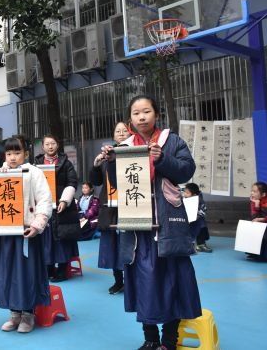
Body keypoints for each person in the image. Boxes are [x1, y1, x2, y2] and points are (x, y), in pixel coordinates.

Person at [107, 95, 200, 350]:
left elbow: (186, 171)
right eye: (136, 113)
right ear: (130, 120)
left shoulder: (172, 141)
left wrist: (162, 159)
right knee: (142, 280)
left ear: (156, 114)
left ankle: (169, 339)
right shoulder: (125, 147)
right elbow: (118, 184)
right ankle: (150, 338)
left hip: (167, 225)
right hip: (139, 228)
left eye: (146, 111)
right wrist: (110, 162)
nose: (142, 117)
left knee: (173, 279)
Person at [0, 135, 52, 333]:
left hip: (26, 232)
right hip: (4, 233)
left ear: (25, 154)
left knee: (26, 274)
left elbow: (44, 200)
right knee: (7, 274)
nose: (12, 157)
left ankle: (28, 314)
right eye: (9, 153)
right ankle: (14, 313)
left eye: (17, 153)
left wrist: (37, 224)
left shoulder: (34, 172)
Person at [90, 121, 131, 295]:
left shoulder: (134, 152)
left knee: (129, 242)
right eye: (117, 131)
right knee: (112, 244)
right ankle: (118, 281)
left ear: (130, 134)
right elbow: (96, 181)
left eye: (124, 131)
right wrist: (96, 165)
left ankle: (133, 280)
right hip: (109, 205)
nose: (121, 133)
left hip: (129, 204)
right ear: (113, 135)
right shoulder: (107, 155)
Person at [34, 134, 79, 282]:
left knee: (62, 239)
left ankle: (62, 270)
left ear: (57, 145)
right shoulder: (36, 163)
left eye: (53, 143)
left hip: (62, 207)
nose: (50, 146)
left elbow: (72, 182)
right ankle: (48, 268)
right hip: (44, 207)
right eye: (47, 144)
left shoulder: (66, 163)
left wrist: (65, 200)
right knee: (46, 240)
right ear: (43, 147)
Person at [249, 182, 267, 262]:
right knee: (251, 224)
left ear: (263, 194)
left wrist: (264, 219)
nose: (252, 193)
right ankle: (255, 253)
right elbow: (254, 216)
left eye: (254, 191)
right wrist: (256, 205)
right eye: (251, 191)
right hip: (262, 220)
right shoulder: (254, 200)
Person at [183, 183, 212, 253]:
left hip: (198, 220)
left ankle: (201, 244)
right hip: (187, 220)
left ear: (194, 194)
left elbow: (203, 209)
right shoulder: (184, 199)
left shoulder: (199, 200)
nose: (185, 194)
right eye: (184, 192)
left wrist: (197, 216)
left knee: (201, 229)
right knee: (188, 232)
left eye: (187, 193)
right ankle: (189, 244)